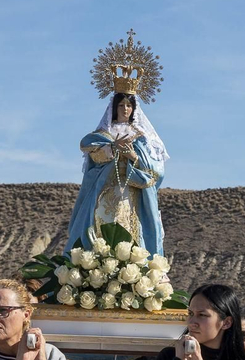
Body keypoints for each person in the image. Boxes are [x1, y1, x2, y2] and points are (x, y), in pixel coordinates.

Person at [64, 90, 168, 256]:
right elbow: (94, 157)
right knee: (100, 223)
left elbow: (154, 169)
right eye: (121, 105)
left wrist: (133, 156)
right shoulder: (105, 133)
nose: (125, 109)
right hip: (105, 190)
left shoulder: (142, 137)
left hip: (131, 193)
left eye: (129, 105)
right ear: (114, 107)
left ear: (134, 108)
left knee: (130, 225)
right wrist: (112, 147)